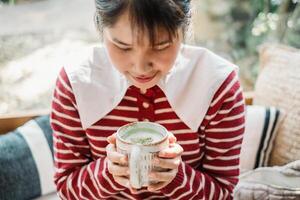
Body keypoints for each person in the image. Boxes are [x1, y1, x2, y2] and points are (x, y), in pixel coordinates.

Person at [50, 0, 245, 199]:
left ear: (184, 27)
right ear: (101, 26)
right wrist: (109, 172)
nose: (141, 68)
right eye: (123, 46)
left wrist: (177, 177)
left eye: (161, 46)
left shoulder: (218, 86)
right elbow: (67, 188)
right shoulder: (76, 84)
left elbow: (223, 192)